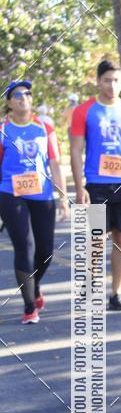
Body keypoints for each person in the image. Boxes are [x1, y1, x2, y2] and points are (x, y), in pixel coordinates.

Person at [69, 60, 121, 311]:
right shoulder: (84, 111)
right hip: (97, 184)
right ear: (98, 81)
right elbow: (75, 150)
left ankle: (116, 294)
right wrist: (78, 186)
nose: (112, 85)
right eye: (107, 80)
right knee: (96, 240)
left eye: (116, 80)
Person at [0, 79, 69, 323]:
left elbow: (54, 163)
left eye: (27, 94)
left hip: (42, 194)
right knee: (25, 247)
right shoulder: (2, 130)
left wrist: (63, 197)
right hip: (10, 194)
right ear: (8, 102)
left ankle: (34, 286)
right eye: (17, 94)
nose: (23, 98)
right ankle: (29, 306)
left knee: (45, 251)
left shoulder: (44, 128)